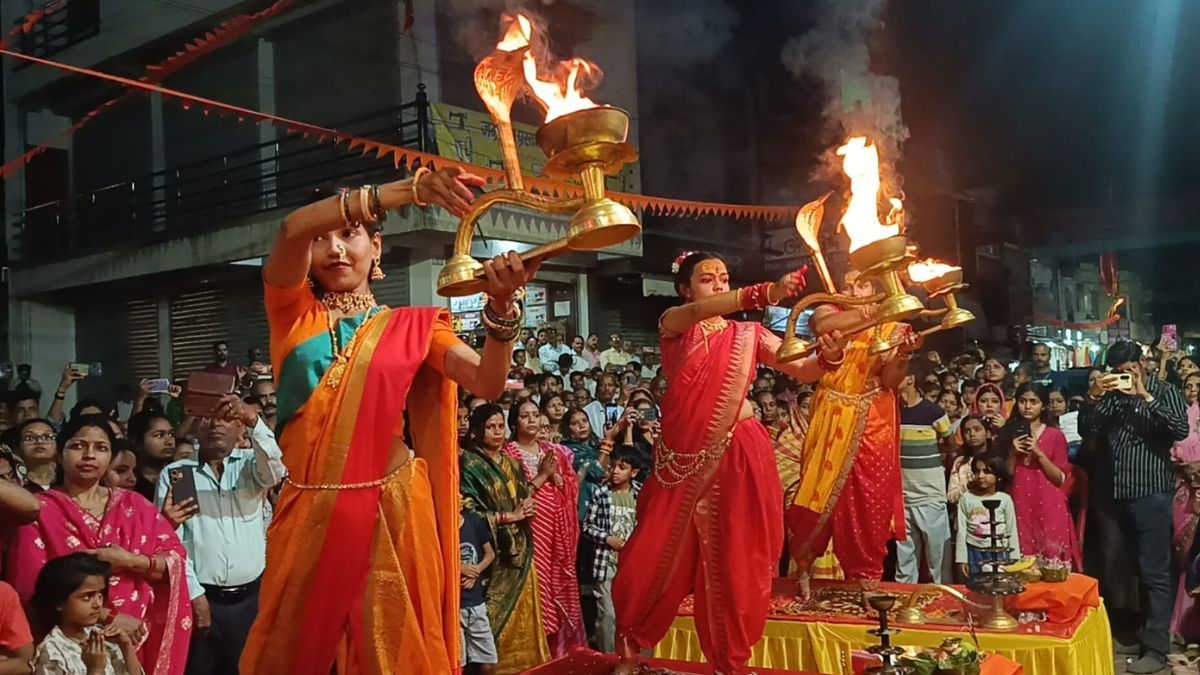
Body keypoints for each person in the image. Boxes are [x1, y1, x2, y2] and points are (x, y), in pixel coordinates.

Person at [241, 171, 534, 675]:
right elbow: (290, 229)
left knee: (394, 655)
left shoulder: (413, 328)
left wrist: (503, 311)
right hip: (310, 510)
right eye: (323, 239)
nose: (334, 248)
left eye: (350, 235)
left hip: (391, 510)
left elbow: (486, 383)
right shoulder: (291, 314)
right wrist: (402, 193)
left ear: (376, 248)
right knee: (291, 654)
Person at [614, 252, 826, 674]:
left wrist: (836, 354)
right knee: (653, 554)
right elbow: (698, 311)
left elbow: (803, 369)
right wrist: (763, 293)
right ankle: (630, 652)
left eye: (724, 278)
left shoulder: (748, 334)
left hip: (742, 456)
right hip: (684, 461)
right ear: (684, 287)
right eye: (707, 279)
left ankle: (730, 662)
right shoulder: (676, 325)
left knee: (739, 558)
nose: (717, 285)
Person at [8, 415, 191, 675]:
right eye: (78, 446)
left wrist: (128, 561)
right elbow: (33, 591)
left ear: (110, 459)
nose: (89, 455)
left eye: (101, 448)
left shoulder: (136, 506)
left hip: (140, 636)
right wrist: (109, 617)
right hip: (71, 648)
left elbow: (173, 563)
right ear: (59, 455)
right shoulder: (39, 513)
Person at [787, 269, 918, 600]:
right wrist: (873, 311)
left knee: (869, 501)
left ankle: (867, 580)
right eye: (847, 284)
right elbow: (823, 327)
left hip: (874, 420)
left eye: (861, 284)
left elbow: (890, 380)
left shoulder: (894, 327)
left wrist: (902, 355)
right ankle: (803, 566)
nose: (852, 289)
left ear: (874, 287)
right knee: (814, 496)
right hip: (831, 416)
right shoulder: (829, 312)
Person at [1080, 340, 1189, 675]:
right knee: (1131, 570)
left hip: (1152, 493)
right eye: (1120, 372)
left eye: (1131, 369)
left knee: (1155, 572)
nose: (1127, 375)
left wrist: (1146, 395)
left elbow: (1180, 430)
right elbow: (1088, 430)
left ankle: (1157, 648)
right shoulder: (1112, 395)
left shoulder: (1164, 390)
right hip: (1117, 494)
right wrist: (1094, 398)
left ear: (1143, 364)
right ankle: (1139, 635)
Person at [154, 395, 283, 675]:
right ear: (197, 427)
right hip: (202, 598)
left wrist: (255, 421)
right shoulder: (178, 474)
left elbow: (275, 472)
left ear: (240, 429)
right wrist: (195, 595)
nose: (215, 424)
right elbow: (171, 541)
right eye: (208, 418)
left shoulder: (250, 465)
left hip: (250, 598)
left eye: (226, 418)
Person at [459, 404, 550, 673]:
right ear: (477, 431)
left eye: (501, 426)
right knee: (490, 619)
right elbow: (468, 511)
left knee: (524, 612)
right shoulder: (470, 464)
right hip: (488, 553)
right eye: (491, 427)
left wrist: (528, 507)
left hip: (519, 548)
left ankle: (524, 666)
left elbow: (522, 497)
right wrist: (508, 517)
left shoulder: (511, 462)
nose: (498, 432)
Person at [503, 400, 584, 655]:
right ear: (514, 422)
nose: (532, 421)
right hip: (527, 534)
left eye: (535, 415)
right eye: (524, 416)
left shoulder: (554, 452)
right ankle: (534, 651)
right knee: (535, 588)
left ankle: (558, 652)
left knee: (555, 584)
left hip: (556, 536)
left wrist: (561, 480)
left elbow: (572, 489)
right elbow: (509, 495)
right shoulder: (509, 454)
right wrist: (544, 476)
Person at [1002, 383, 1081, 568]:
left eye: (1033, 402)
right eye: (1022, 401)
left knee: (1052, 566)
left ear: (1043, 405)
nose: (1027, 406)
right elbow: (1007, 474)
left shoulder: (1055, 436)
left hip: (1049, 503)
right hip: (1019, 503)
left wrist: (1039, 453)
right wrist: (1013, 453)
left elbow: (1060, 479)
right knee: (1023, 566)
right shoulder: (1008, 433)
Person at [31, 553, 145, 675]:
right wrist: (96, 670)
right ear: (59, 602)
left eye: (100, 595)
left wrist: (126, 648)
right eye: (87, 597)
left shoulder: (105, 638)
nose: (97, 604)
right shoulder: (53, 653)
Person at [895, 363, 956, 584]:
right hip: (903, 495)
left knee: (937, 554)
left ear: (910, 379)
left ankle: (944, 597)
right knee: (905, 555)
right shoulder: (894, 412)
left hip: (930, 493)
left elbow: (950, 442)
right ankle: (905, 599)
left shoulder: (934, 412)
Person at [583, 445, 642, 654]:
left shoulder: (641, 494)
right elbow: (587, 526)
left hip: (634, 565)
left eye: (622, 467)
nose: (615, 471)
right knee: (608, 614)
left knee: (636, 614)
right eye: (613, 466)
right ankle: (609, 658)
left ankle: (638, 660)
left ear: (633, 472)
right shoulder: (601, 494)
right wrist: (607, 538)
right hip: (606, 562)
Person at [955, 454, 1020, 579]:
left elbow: (1012, 529)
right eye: (977, 472)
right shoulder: (966, 498)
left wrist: (1014, 558)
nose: (981, 476)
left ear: (998, 476)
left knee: (998, 586)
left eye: (986, 472)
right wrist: (962, 559)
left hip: (1000, 552)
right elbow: (961, 532)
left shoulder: (1005, 499)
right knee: (978, 587)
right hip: (975, 552)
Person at [1171, 371, 1200, 642]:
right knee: (1185, 559)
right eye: (1187, 386)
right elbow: (1170, 454)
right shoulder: (1179, 419)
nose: (1192, 390)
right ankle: (1183, 625)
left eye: (1198, 385)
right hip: (1184, 493)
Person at [459, 507, 498, 675]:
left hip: (476, 602)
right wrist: (460, 568)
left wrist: (475, 571)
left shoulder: (474, 521)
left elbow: (489, 554)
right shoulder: (441, 526)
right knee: (458, 660)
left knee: (488, 658)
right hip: (455, 607)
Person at [127, 413, 176, 502]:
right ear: (137, 441)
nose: (169, 441)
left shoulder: (179, 475)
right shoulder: (130, 480)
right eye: (159, 435)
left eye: (171, 434)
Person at [947, 416, 992, 506]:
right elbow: (951, 497)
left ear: (988, 433)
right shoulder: (960, 462)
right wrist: (968, 485)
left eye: (977, 430)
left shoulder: (996, 459)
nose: (972, 434)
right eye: (967, 431)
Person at [16, 419, 58, 492]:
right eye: (30, 438)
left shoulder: (69, 481)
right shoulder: (13, 483)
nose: (39, 441)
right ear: (19, 446)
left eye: (47, 436)